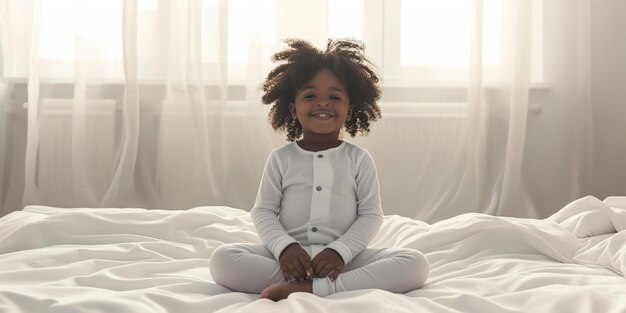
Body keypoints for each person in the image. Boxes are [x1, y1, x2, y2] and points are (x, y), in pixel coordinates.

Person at [209, 38, 429, 301]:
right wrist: (285, 249)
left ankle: (312, 287)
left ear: (349, 111)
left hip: (343, 260)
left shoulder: (359, 159)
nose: (323, 103)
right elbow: (264, 211)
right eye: (310, 96)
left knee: (415, 263)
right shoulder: (281, 158)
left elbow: (370, 215)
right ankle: (324, 284)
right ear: (293, 109)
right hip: (291, 260)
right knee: (222, 260)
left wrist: (340, 252)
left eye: (334, 97)